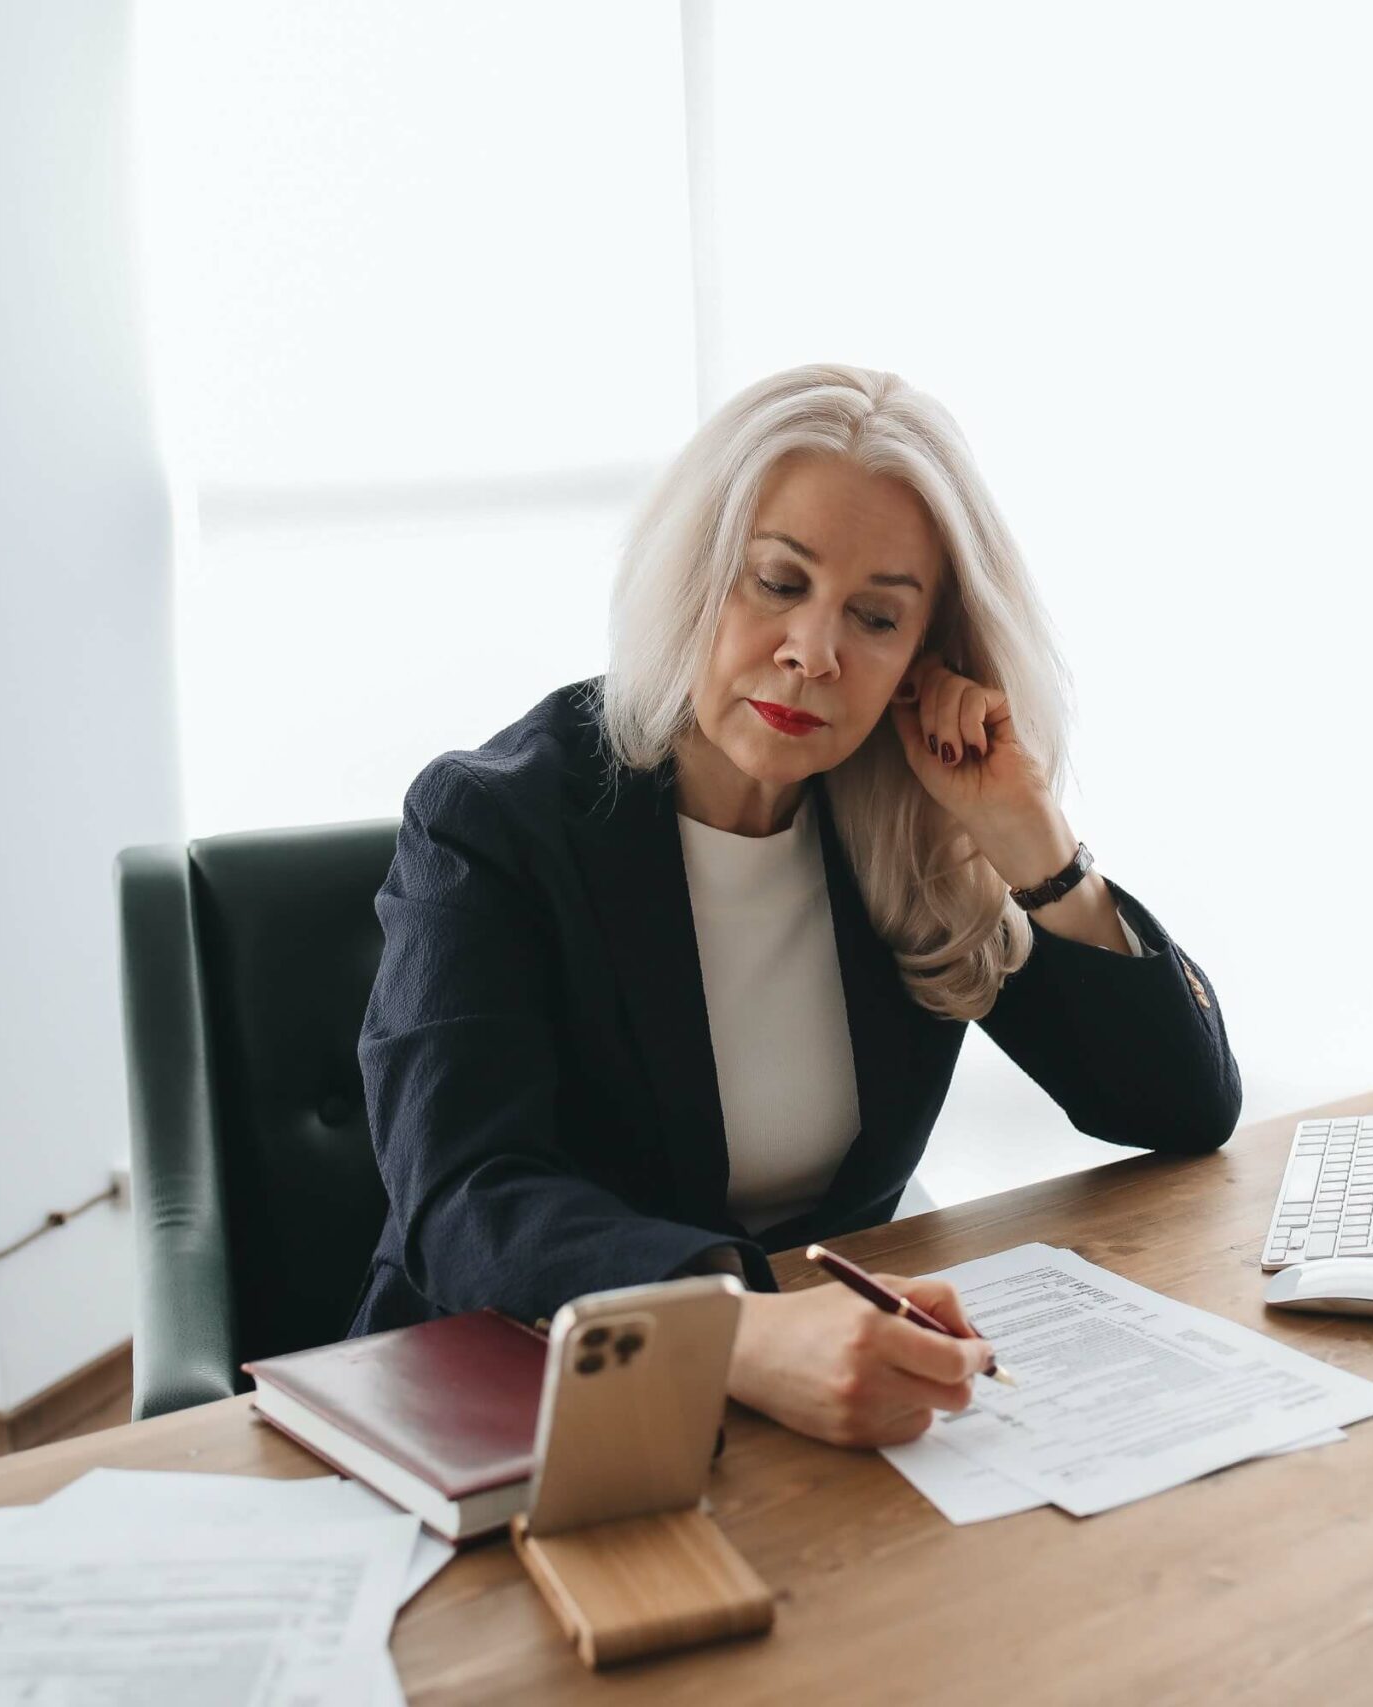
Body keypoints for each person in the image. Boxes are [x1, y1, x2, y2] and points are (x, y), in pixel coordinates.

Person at [344, 362, 1240, 1447]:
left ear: (925, 654)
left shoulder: (905, 819)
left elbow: (1179, 1110)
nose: (813, 653)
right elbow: (465, 1197)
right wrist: (739, 1333)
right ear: (696, 575)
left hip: (830, 1410)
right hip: (527, 1404)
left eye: (874, 616)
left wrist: (1029, 840)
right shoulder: (490, 823)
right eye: (777, 582)